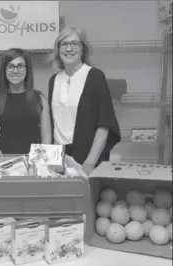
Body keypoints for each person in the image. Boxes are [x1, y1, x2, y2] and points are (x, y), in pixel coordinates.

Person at [48, 27, 121, 175]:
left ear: (83, 49)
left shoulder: (95, 77)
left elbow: (104, 124)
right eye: (64, 44)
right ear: (58, 49)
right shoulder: (54, 80)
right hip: (59, 159)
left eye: (75, 43)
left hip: (86, 159)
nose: (69, 48)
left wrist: (90, 162)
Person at [0, 48, 51, 155]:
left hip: (35, 163)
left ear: (27, 70)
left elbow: (47, 140)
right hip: (6, 164)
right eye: (11, 66)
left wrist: (37, 163)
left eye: (20, 66)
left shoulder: (40, 99)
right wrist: (4, 165)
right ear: (4, 70)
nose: (15, 71)